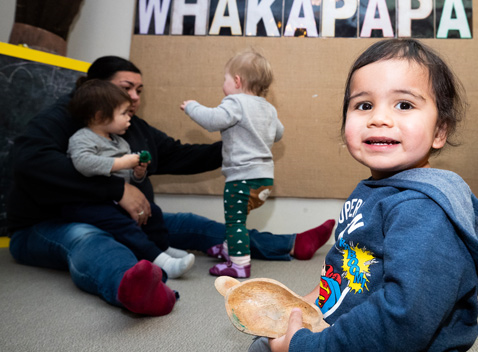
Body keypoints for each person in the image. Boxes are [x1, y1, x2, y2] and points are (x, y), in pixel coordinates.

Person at [7, 55, 335, 317]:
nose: (134, 98)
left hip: (130, 220)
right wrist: (117, 191)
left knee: (191, 224)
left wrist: (246, 143)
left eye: (138, 91)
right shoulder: (62, 120)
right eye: (126, 89)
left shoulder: (132, 127)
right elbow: (29, 162)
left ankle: (291, 244)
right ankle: (131, 287)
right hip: (50, 224)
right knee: (89, 239)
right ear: (95, 89)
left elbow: (181, 155)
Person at [250, 39, 478, 352]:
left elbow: (404, 320)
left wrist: (307, 346)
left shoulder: (423, 211)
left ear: (440, 131)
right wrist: (306, 307)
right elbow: (352, 268)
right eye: (364, 105)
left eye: (404, 105)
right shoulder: (378, 188)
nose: (378, 118)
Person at [62, 79, 195, 279]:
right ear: (100, 115)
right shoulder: (82, 138)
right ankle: (161, 262)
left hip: (114, 200)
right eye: (123, 114)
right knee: (125, 226)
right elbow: (83, 163)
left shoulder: (119, 142)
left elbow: (126, 177)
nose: (129, 119)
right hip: (89, 203)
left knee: (153, 212)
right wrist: (123, 163)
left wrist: (137, 174)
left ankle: (162, 248)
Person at [181, 50, 284, 278]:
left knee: (234, 222)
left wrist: (192, 107)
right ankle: (230, 249)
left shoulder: (235, 102)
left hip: (242, 178)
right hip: (264, 181)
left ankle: (239, 264)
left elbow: (211, 120)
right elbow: (278, 133)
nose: (223, 85)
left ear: (237, 81)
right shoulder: (268, 107)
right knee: (239, 219)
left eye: (224, 79)